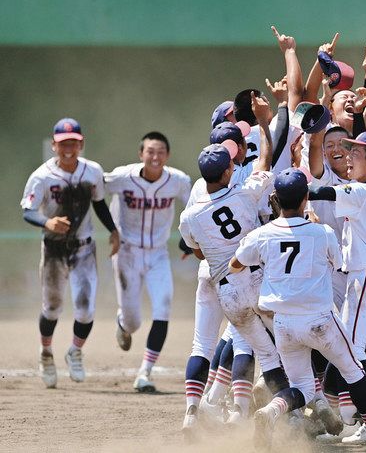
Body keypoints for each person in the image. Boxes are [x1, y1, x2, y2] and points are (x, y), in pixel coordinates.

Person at [230, 168, 366, 450]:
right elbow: (337, 263)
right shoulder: (322, 232)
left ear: (275, 199)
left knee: (304, 388)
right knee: (354, 369)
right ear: (306, 198)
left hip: (283, 323)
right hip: (319, 320)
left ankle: (271, 411)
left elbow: (237, 264)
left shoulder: (262, 235)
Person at [178, 98, 289, 440]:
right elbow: (267, 162)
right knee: (268, 346)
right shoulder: (243, 192)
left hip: (215, 279)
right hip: (251, 277)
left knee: (201, 345)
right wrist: (265, 125)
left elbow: (194, 250)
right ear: (228, 165)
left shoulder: (193, 202)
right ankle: (270, 410)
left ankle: (193, 413)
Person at [307, 131, 366, 443]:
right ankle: (354, 422)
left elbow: (324, 192)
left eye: (356, 152)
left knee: (352, 353)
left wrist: (292, 188)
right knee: (347, 351)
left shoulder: (363, 190)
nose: (348, 155)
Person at [20, 117, 119, 388]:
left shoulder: (92, 171)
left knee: (86, 310)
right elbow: (27, 211)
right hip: (53, 247)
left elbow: (99, 203)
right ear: (54, 145)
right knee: (52, 307)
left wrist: (113, 230)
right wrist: (47, 221)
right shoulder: (41, 176)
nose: (69, 148)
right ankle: (46, 353)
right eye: (63, 143)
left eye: (73, 142)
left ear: (81, 143)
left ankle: (75, 351)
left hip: (84, 247)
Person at [103, 131, 191, 392]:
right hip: (127, 252)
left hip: (157, 253)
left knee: (163, 306)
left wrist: (189, 240)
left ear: (168, 155)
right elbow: (95, 192)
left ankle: (145, 372)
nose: (155, 156)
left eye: (161, 152)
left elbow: (194, 207)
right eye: (150, 151)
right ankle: (123, 323)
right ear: (141, 154)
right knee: (133, 322)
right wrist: (111, 230)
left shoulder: (178, 180)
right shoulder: (122, 176)